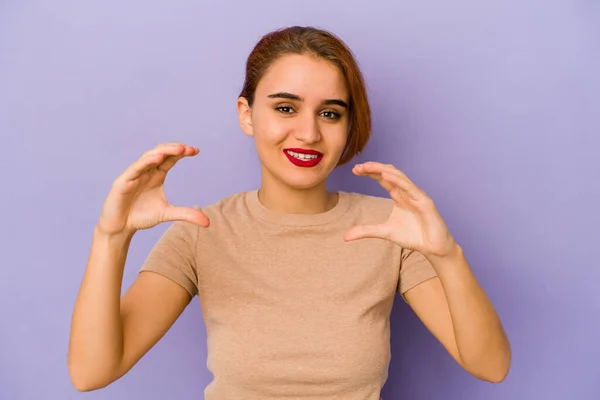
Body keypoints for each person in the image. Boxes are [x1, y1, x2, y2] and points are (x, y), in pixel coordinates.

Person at [67, 26, 511, 399]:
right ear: (247, 114)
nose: (308, 132)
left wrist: (447, 254)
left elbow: (490, 366)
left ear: (348, 126)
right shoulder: (201, 231)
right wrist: (112, 237)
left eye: (330, 114)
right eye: (285, 108)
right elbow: (92, 373)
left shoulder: (389, 229)